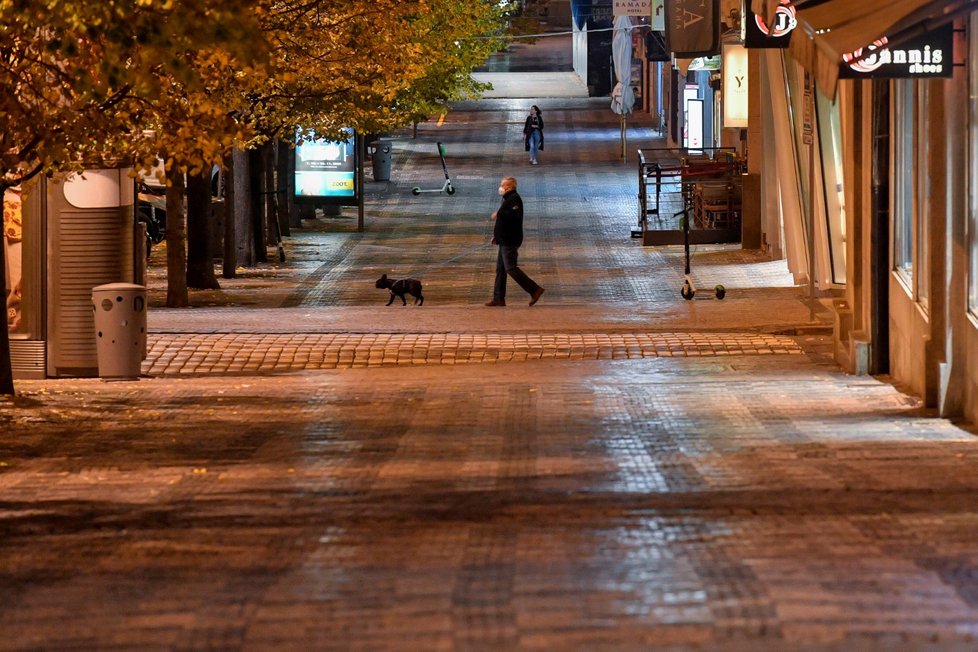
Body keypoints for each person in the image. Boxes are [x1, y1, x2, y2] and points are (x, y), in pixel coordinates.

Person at [486, 177, 545, 307]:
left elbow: (511, 219)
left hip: (510, 240)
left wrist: (499, 214)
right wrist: (497, 236)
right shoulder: (508, 199)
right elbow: (503, 222)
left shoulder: (514, 199)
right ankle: (498, 298)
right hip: (503, 240)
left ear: (509, 187)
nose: (500, 187)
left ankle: (534, 289)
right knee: (500, 269)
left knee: (510, 268)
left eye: (502, 185)